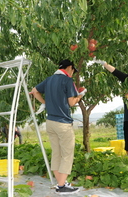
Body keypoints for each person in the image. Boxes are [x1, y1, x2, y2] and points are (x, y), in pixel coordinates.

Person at [31, 59, 86, 195]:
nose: (73, 73)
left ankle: (60, 183)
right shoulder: (67, 81)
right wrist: (80, 95)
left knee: (57, 153)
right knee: (67, 155)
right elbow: (72, 102)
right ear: (69, 68)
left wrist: (45, 103)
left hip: (50, 122)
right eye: (73, 70)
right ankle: (61, 187)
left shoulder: (49, 79)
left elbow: (34, 91)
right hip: (63, 123)